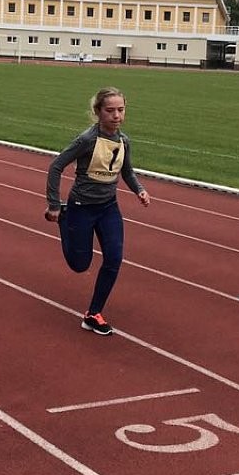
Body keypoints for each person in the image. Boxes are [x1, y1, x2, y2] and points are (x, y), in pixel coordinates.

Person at [45, 87, 150, 335]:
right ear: (98, 112)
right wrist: (52, 204)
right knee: (80, 265)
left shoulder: (124, 141)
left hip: (108, 208)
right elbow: (56, 166)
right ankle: (63, 217)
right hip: (81, 207)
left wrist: (139, 190)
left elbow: (127, 171)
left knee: (114, 258)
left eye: (121, 110)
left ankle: (93, 314)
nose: (116, 115)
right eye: (110, 110)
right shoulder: (87, 140)